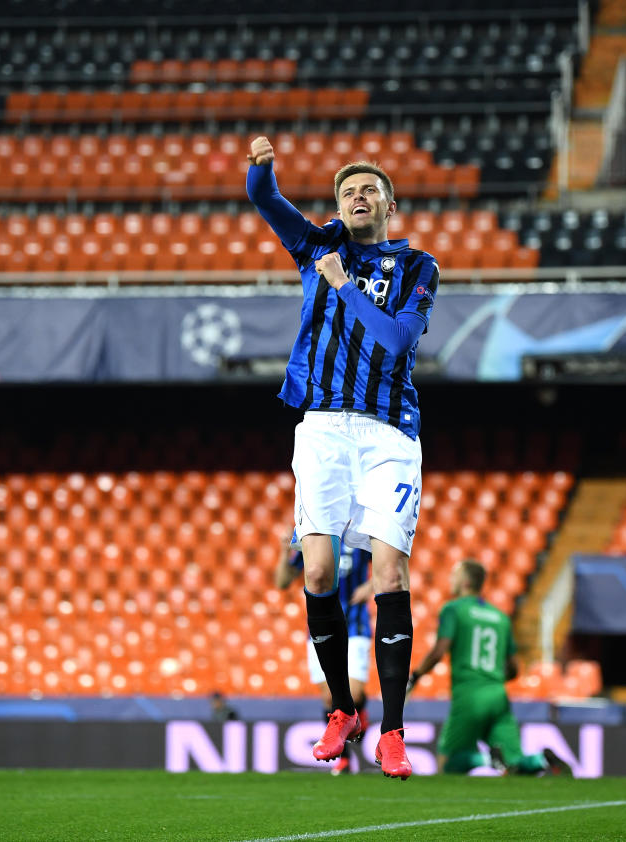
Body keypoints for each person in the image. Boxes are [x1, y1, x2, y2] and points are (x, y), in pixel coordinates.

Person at [246, 135, 439, 780]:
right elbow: (267, 202)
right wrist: (261, 172)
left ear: (389, 205)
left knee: (390, 575)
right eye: (347, 192)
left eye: (368, 191)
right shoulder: (316, 246)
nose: (357, 198)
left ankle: (392, 731)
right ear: (338, 206)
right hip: (323, 427)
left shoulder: (417, 268)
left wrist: (343, 287)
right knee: (320, 572)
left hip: (388, 432)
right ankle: (340, 711)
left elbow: (392, 342)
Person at [408, 559, 557, 775]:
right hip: (498, 695)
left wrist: (415, 676)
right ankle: (540, 759)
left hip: (469, 696)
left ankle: (486, 758)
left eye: (455, 575)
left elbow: (440, 650)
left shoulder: (454, 609)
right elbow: (515, 668)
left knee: (447, 763)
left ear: (466, 581)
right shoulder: (501, 618)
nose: (451, 580)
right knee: (514, 761)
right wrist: (491, 677)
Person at [275, 540, 374, 775]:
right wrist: (283, 551)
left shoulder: (358, 533)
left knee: (355, 692)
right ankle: (344, 758)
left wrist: (371, 586)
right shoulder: (315, 534)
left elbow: (388, 563)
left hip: (355, 622)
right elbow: (282, 581)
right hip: (320, 626)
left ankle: (360, 710)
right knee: (329, 696)